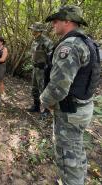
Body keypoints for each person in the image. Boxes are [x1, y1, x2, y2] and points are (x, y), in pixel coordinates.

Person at [40, 5, 100, 185]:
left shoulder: (70, 45)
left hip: (70, 112)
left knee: (68, 160)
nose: (53, 25)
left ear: (67, 21)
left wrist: (45, 101)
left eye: (56, 21)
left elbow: (59, 87)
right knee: (76, 150)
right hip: (81, 108)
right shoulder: (87, 41)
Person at [27, 22, 53, 115]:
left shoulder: (46, 41)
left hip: (43, 70)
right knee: (34, 88)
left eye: (33, 29)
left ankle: (47, 110)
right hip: (35, 68)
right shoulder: (35, 40)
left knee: (44, 89)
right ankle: (36, 106)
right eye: (32, 29)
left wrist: (48, 67)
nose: (32, 31)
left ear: (39, 30)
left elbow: (52, 55)